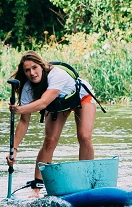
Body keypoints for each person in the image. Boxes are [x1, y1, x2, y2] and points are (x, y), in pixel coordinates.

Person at [7, 51, 98, 189]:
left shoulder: (57, 75)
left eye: (34, 67)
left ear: (42, 66)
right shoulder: (27, 88)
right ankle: (37, 186)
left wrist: (19, 109)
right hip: (58, 105)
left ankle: (87, 180)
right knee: (50, 140)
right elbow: (24, 122)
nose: (32, 73)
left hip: (81, 97)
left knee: (84, 136)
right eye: (27, 70)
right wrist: (14, 148)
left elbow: (43, 103)